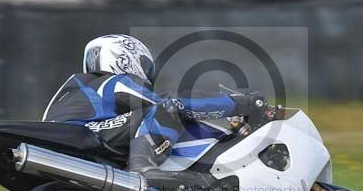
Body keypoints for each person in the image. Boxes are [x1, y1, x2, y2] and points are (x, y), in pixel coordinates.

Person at [42, 34, 265, 174]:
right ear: (124, 58)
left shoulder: (79, 89)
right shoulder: (113, 81)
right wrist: (238, 104)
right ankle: (142, 167)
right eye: (144, 64)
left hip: (65, 142)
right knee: (165, 110)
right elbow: (167, 104)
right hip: (82, 134)